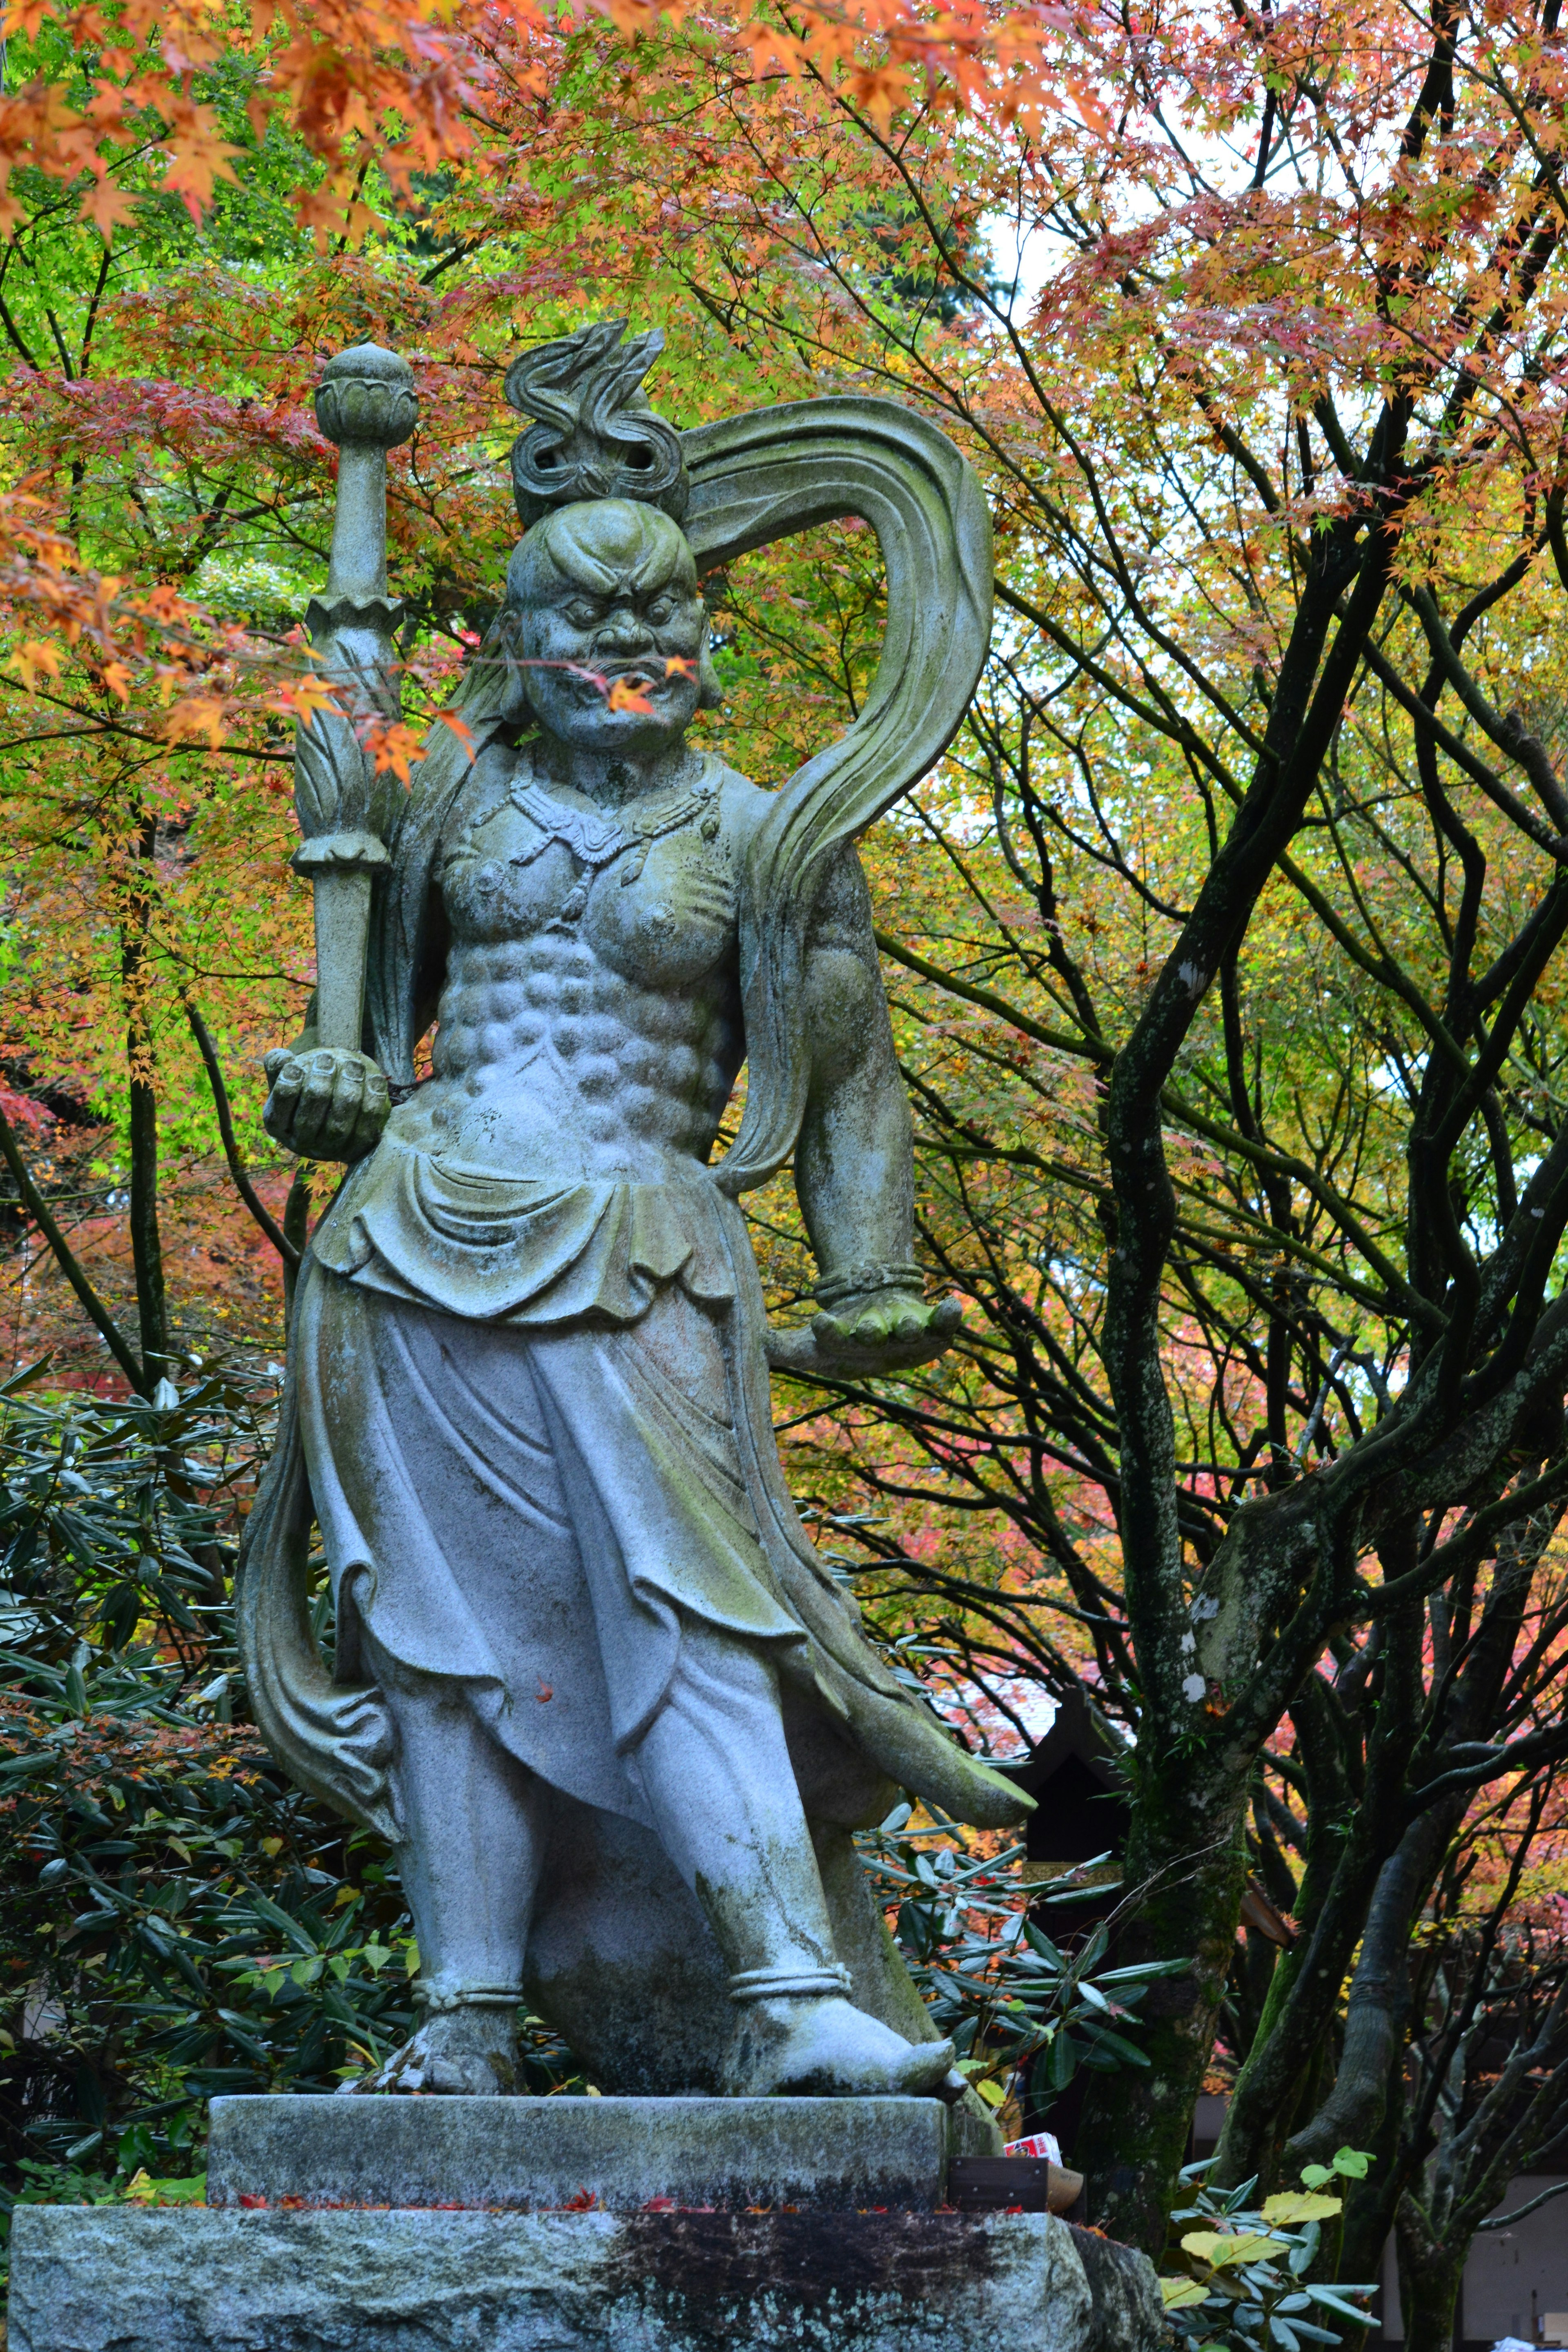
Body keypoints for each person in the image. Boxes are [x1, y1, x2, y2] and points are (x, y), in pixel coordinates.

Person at [245, 332, 1028, 2102]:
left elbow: (848, 1082)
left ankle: (789, 1994)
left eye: (654, 617)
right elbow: (370, 1039)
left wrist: (876, 1270)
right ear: (518, 655)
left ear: (709, 636)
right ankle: (462, 2019)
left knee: (696, 1606)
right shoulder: (444, 804)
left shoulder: (775, 837)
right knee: (436, 1642)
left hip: (647, 1245)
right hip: (413, 1239)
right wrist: (332, 1083)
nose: (619, 652)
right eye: (577, 630)